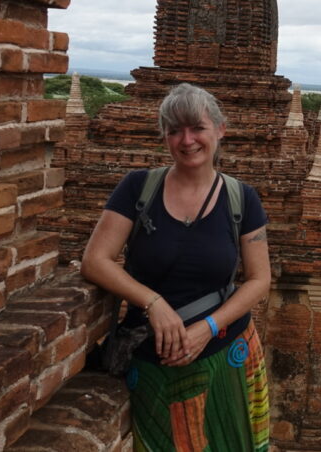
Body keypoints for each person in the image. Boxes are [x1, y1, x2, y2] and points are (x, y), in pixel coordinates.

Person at [82, 83, 271, 451]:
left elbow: (259, 279)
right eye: (174, 131)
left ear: (220, 130)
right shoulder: (138, 188)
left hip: (225, 352)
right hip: (154, 356)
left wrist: (209, 326)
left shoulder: (241, 198)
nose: (187, 140)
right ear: (164, 138)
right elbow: (95, 260)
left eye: (197, 128)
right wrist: (153, 303)